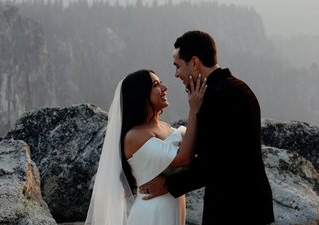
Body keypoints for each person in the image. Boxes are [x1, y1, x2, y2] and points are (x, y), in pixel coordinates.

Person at [139, 30, 275, 224]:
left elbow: (213, 163)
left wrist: (168, 185)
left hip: (233, 209)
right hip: (252, 205)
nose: (176, 74)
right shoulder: (238, 87)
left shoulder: (216, 98)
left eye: (178, 66)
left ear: (194, 63)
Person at [85, 69, 207, 225]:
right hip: (152, 212)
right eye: (156, 84)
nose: (164, 87)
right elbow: (183, 158)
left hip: (172, 208)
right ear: (140, 95)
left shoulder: (166, 127)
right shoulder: (135, 136)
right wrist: (194, 109)